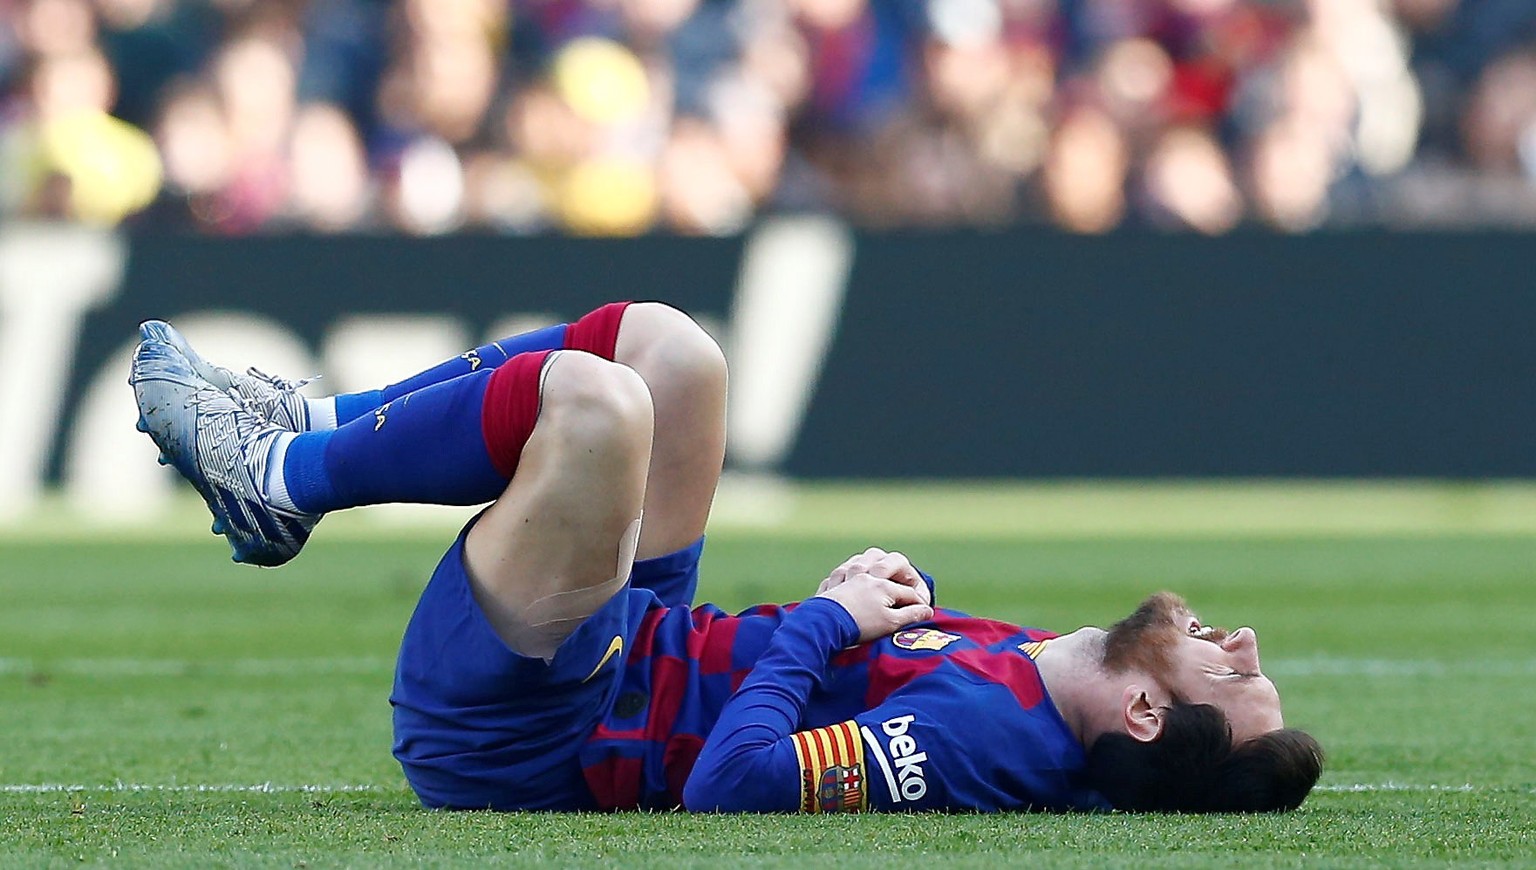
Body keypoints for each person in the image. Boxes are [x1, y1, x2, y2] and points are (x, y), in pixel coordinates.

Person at [128, 300, 1323, 814]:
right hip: (643, 650)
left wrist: (829, 616)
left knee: (599, 407)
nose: (1246, 643)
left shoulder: (994, 742)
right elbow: (887, 676)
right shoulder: (1053, 679)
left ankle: (278, 481)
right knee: (680, 358)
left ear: (1152, 719)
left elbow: (733, 785)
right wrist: (897, 610)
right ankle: (318, 419)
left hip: (538, 726)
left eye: (1234, 676)